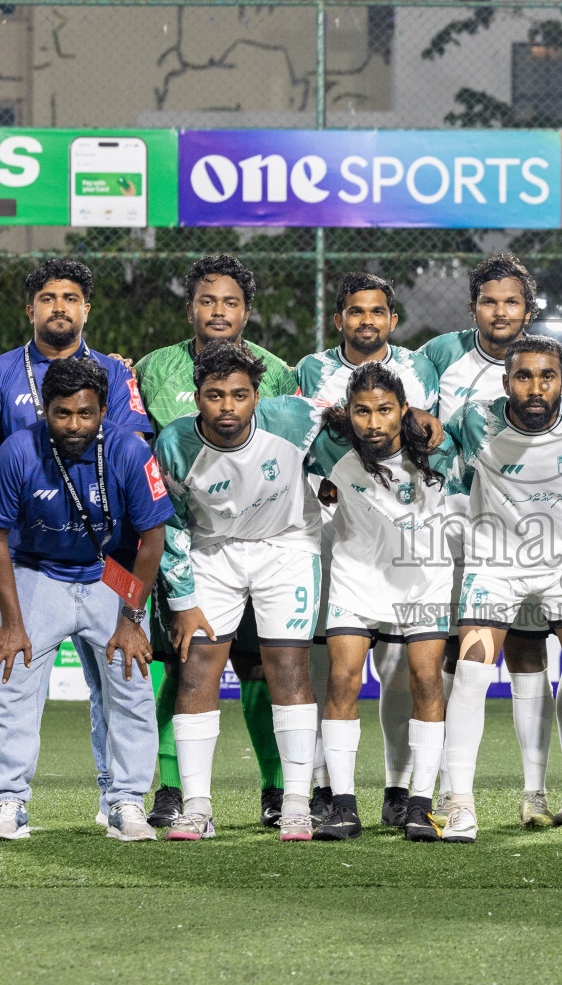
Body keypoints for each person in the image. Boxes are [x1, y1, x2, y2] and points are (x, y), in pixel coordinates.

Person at [0, 257, 153, 827]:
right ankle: (6, 800)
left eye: (71, 298)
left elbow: (130, 465)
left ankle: (122, 800)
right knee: (10, 674)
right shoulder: (0, 374)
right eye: (48, 298)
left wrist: (130, 611)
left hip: (107, 563)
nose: (59, 308)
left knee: (126, 679)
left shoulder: (115, 374)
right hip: (32, 559)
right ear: (31, 308)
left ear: (86, 309)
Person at [132, 254, 299, 832]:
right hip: (189, 547)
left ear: (247, 312)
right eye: (208, 300)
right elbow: (140, 452)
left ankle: (277, 790)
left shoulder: (278, 373)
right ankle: (173, 788)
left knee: (260, 667)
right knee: (187, 663)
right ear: (190, 308)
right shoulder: (153, 369)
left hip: (262, 545)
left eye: (231, 302)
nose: (218, 312)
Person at [443, 335, 562, 843]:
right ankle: (459, 804)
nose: (536, 386)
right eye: (523, 376)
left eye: (547, 376)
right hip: (495, 562)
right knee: (471, 676)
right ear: (506, 382)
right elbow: (423, 439)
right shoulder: (473, 420)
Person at [153, 342, 332, 842]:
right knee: (195, 671)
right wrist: (183, 601)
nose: (227, 407)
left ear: (257, 396)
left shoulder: (294, 417)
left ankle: (296, 803)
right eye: (215, 396)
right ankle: (197, 807)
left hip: (287, 547)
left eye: (239, 395)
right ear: (197, 397)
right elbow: (171, 524)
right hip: (213, 553)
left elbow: (348, 414)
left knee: (288, 668)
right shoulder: (174, 442)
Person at [419, 253, 558, 829]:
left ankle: (535, 792)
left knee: (527, 649)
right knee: (452, 653)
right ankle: (439, 792)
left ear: (528, 308)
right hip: (451, 520)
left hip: (524, 528)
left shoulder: (550, 361)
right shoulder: (439, 356)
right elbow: (419, 425)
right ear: (472, 305)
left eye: (512, 301)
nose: (500, 312)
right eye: (489, 301)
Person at [298, 271, 441, 830]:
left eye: (376, 311)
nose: (374, 421)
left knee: (423, 680)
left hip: (419, 571)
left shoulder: (436, 437)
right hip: (353, 565)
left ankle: (417, 802)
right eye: (362, 411)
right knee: (340, 679)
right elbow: (297, 440)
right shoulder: (328, 426)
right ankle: (340, 802)